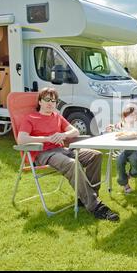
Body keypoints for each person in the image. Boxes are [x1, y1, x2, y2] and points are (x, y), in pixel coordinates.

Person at [17, 87, 119, 221]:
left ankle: (87, 197)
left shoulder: (57, 117)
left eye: (54, 101)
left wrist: (62, 134)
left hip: (63, 150)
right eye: (47, 99)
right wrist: (47, 138)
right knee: (72, 164)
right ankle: (96, 207)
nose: (50, 103)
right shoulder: (30, 117)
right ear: (40, 102)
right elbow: (21, 139)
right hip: (45, 153)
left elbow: (75, 131)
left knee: (96, 155)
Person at [105, 103, 137, 194]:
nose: (129, 118)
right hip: (127, 149)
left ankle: (132, 174)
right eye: (127, 116)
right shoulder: (123, 124)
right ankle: (125, 184)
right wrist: (111, 127)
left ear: (136, 115)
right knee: (119, 159)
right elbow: (116, 126)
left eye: (132, 115)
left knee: (133, 158)